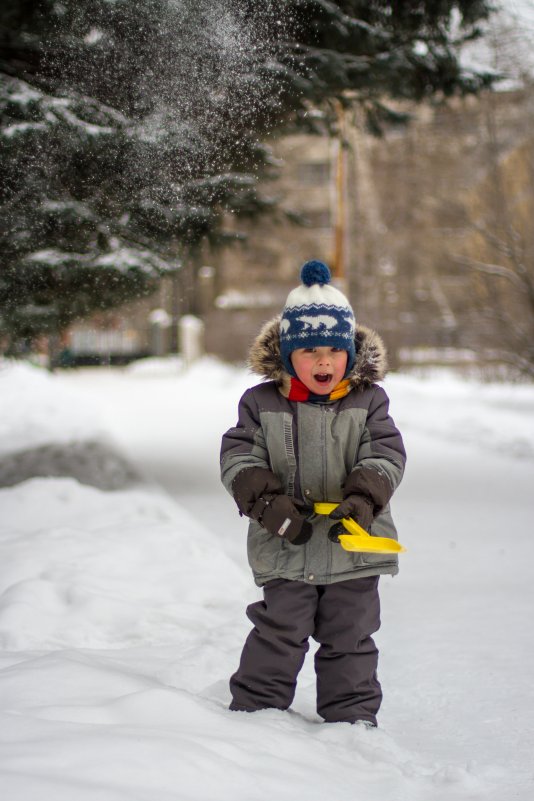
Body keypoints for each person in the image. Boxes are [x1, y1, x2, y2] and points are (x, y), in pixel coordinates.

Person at [220, 260, 406, 726]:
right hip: (287, 542)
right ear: (286, 356)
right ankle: (255, 716)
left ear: (349, 352)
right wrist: (265, 503)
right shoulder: (260, 404)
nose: (323, 362)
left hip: (353, 545)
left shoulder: (369, 402)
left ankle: (352, 722)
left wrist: (363, 499)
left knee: (351, 635)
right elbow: (238, 458)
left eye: (333, 350)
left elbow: (386, 454)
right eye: (309, 352)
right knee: (279, 630)